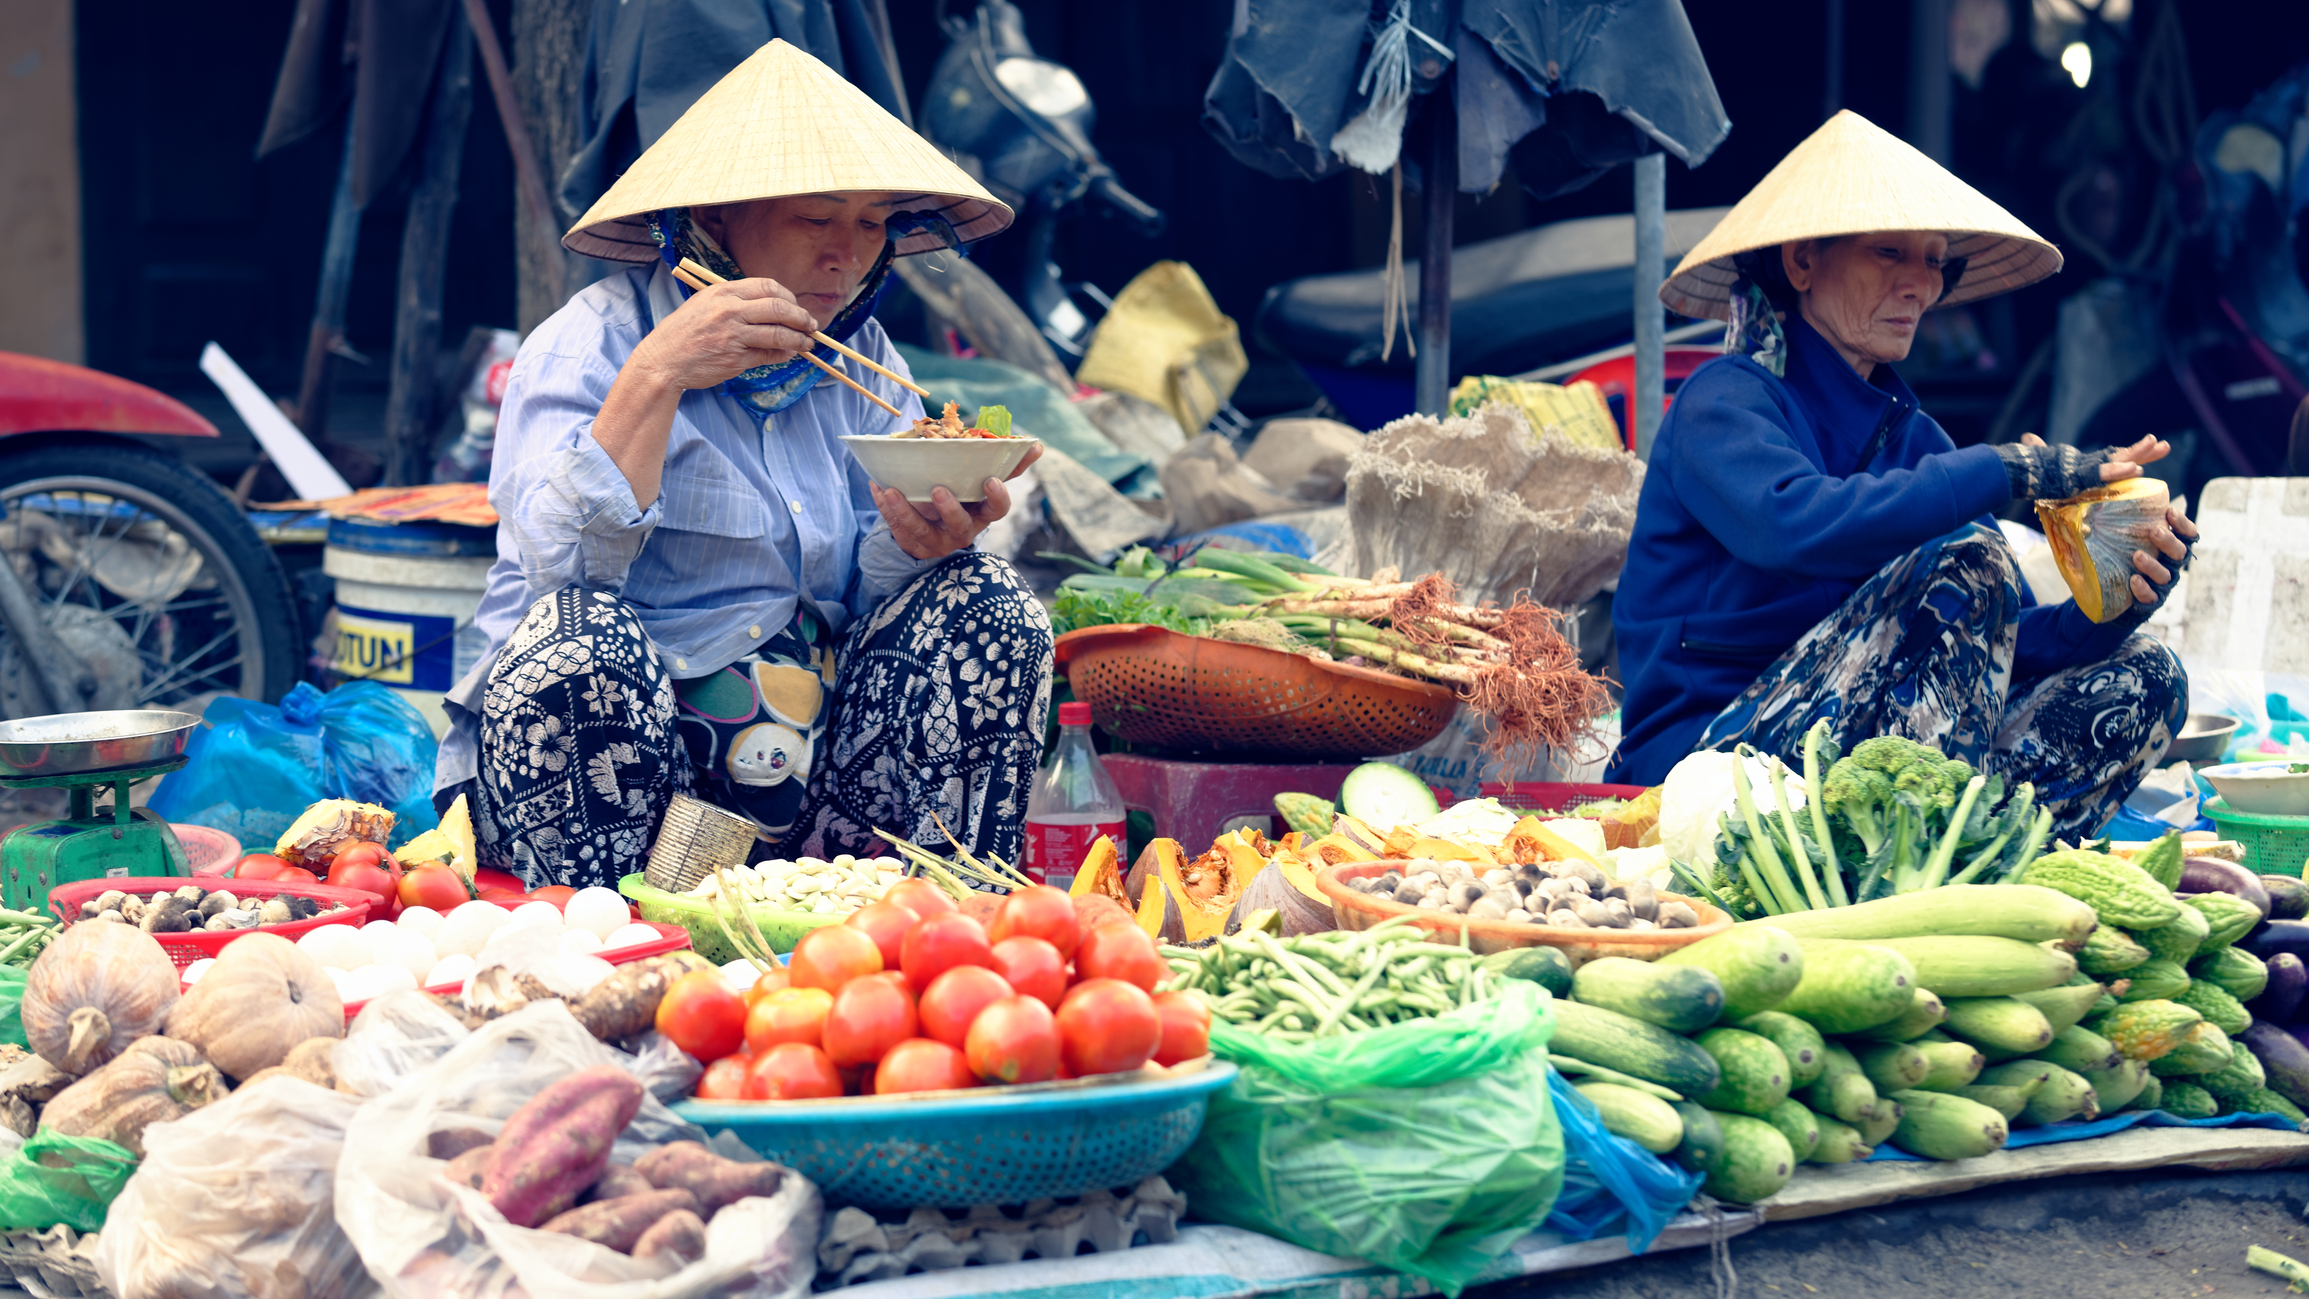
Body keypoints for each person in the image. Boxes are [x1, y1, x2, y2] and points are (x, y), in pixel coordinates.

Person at [434, 41, 1051, 888]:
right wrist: (659, 375)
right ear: (717, 217)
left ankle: (943, 921)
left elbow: (869, 603)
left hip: (806, 765)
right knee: (579, 642)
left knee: (991, 601)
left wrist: (923, 542)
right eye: (816, 218)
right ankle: (604, 933)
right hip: (617, 777)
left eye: (873, 224)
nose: (848, 254)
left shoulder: (862, 359)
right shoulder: (592, 345)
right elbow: (556, 583)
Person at [1610, 111, 2198, 838]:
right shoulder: (1723, 401)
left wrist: (2110, 604)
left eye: (1933, 261)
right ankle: (1922, 869)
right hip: (1704, 768)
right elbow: (1792, 525)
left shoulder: (1914, 436)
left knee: (2146, 676)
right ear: (1801, 263)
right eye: (1890, 253)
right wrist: (2007, 468)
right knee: (1968, 560)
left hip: (1863, 776)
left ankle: (1972, 860)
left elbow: (2003, 639)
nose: (1919, 285)